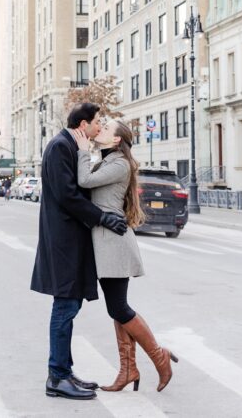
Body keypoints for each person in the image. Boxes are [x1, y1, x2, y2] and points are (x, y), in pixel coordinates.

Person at [31, 103, 129, 401]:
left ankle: (64, 371)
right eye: (97, 122)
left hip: (71, 240)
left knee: (69, 308)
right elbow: (68, 196)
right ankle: (57, 377)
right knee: (65, 308)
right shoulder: (60, 147)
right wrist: (102, 218)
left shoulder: (70, 146)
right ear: (83, 124)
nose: (100, 127)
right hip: (64, 242)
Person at [75, 119, 178, 393]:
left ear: (117, 140)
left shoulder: (119, 163)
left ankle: (159, 357)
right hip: (106, 240)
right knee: (117, 308)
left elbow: (84, 180)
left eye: (106, 129)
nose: (101, 131)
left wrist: (82, 149)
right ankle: (128, 369)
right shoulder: (109, 161)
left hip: (114, 242)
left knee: (118, 307)